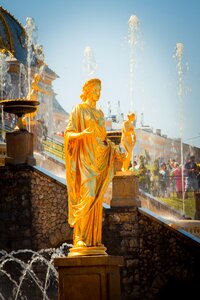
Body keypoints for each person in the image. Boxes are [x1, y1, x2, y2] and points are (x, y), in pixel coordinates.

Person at [64, 78, 125, 256]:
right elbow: (68, 134)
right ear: (88, 90)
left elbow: (102, 139)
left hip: (98, 160)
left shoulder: (99, 113)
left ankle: (92, 240)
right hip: (84, 161)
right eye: (96, 89)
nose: (99, 93)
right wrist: (82, 134)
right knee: (88, 196)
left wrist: (113, 149)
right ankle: (80, 238)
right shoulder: (79, 109)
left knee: (97, 201)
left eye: (100, 89)